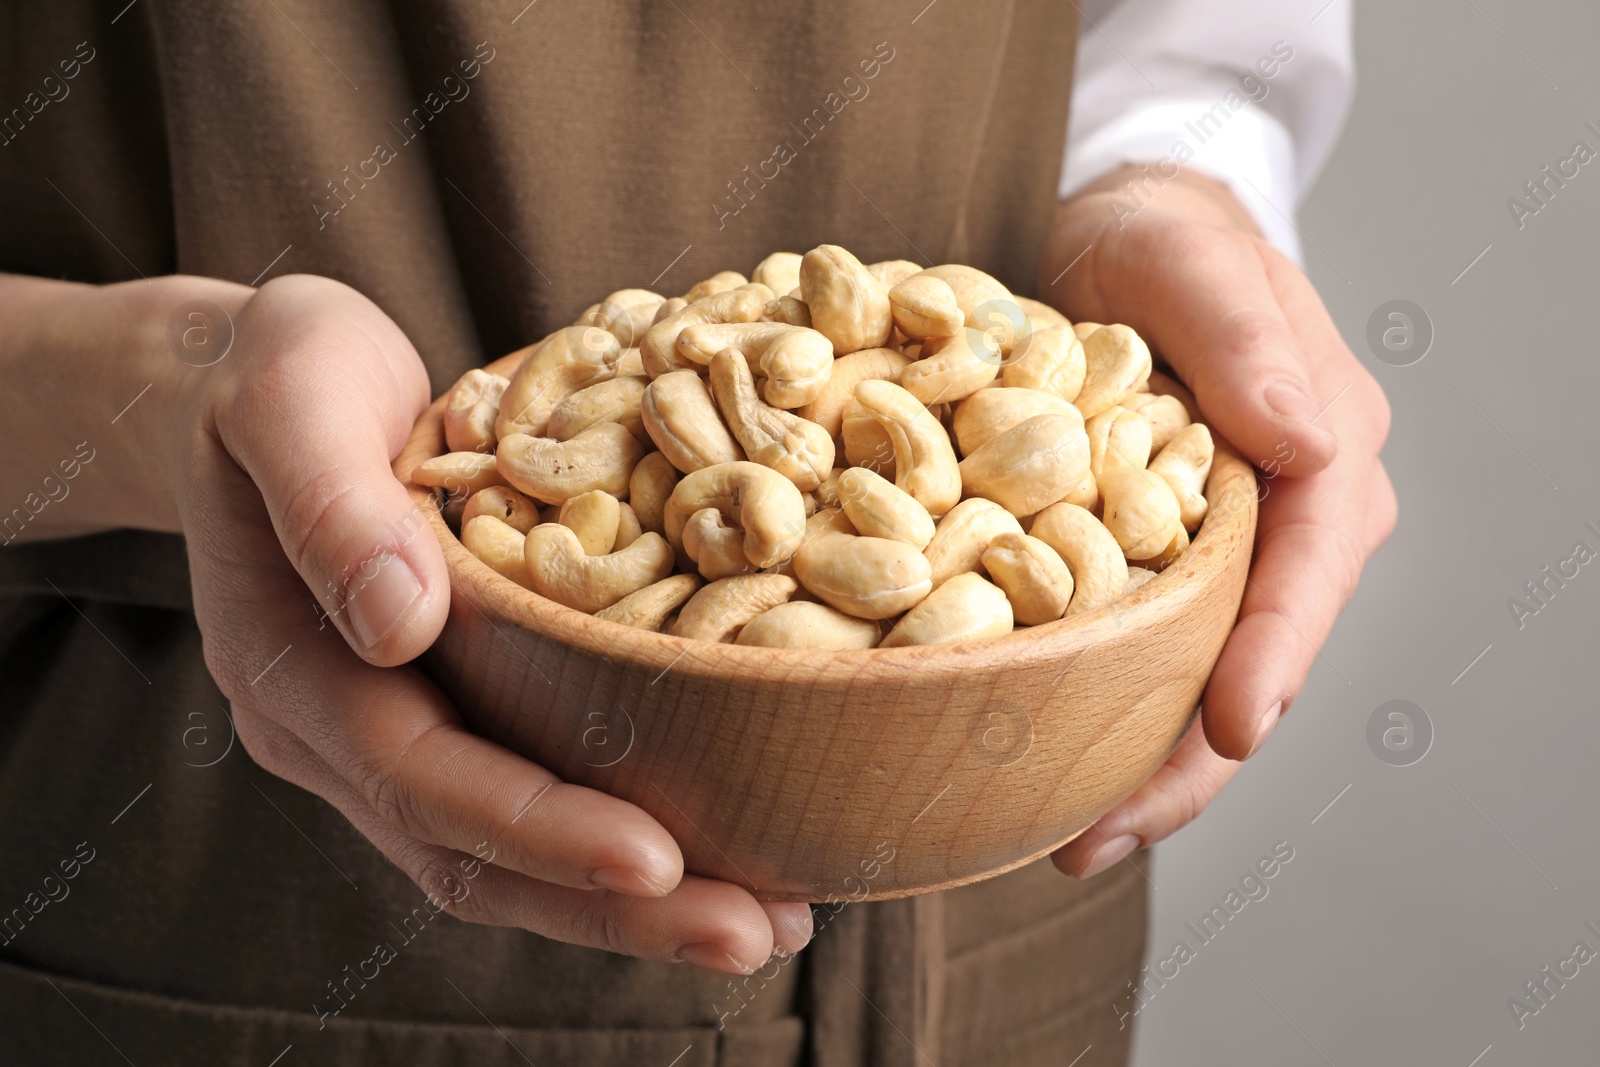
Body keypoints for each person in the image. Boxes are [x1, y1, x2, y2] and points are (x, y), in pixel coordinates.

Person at [0, 0, 1392, 1063]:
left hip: (993, 914)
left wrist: (1180, 185)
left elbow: (1190, 39)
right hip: (217, 892)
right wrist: (149, 383)